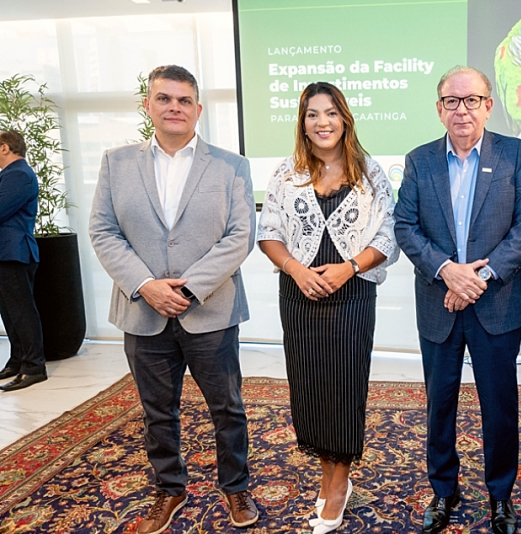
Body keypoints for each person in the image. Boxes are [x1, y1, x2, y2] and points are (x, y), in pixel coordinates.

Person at [88, 65, 258, 534]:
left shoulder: (231, 165)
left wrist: (186, 288)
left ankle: (236, 486)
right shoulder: (116, 163)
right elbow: (103, 230)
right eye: (164, 99)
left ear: (198, 109)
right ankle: (170, 488)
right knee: (157, 411)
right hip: (142, 311)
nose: (174, 108)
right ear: (148, 105)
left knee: (227, 408)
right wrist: (146, 284)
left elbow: (240, 236)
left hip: (211, 310)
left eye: (184, 100)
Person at [394, 66, 521, 534]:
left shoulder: (514, 154)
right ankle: (444, 490)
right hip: (438, 304)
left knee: (499, 406)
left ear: (488, 105)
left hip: (496, 304)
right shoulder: (420, 161)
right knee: (439, 405)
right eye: (452, 101)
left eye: (472, 100)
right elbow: (405, 226)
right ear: (439, 109)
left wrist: (480, 277)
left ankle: (501, 495)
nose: (462, 110)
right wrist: (448, 271)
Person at [257, 81, 398, 534]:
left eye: (331, 113)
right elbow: (268, 232)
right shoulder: (286, 172)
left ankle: (340, 483)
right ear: (302, 123)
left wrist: (349, 268)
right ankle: (328, 472)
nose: (323, 122)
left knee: (344, 388)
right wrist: (296, 270)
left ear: (345, 119)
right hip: (299, 296)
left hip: (351, 296)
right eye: (313, 114)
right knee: (310, 388)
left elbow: (388, 236)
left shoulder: (370, 173)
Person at [0, 130, 47, 392]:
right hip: (5, 253)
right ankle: (17, 361)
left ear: (5, 148)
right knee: (9, 312)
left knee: (22, 312)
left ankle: (34, 367)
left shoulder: (18, 174)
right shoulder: (10, 174)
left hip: (14, 252)